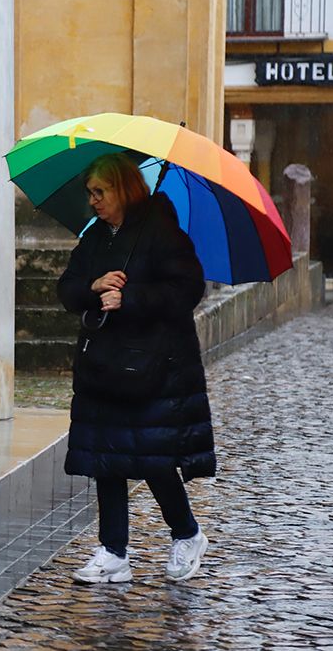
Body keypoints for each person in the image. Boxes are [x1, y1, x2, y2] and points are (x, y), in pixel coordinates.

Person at [57, 153, 215, 583]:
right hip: (104, 365)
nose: (93, 201)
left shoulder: (160, 229)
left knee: (153, 457)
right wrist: (94, 287)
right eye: (90, 192)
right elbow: (67, 288)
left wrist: (131, 298)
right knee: (107, 457)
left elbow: (187, 288)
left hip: (153, 365)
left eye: (100, 192)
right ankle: (113, 551)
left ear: (123, 189)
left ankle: (186, 533)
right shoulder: (96, 238)